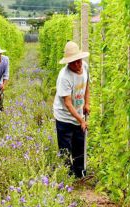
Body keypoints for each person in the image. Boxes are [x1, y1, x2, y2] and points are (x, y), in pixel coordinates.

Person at [53, 41, 91, 178]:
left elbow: (87, 85)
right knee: (65, 149)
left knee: (79, 144)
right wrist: (81, 120)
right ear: (68, 63)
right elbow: (68, 104)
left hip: (78, 113)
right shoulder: (65, 77)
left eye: (78, 61)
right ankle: (66, 177)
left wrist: (87, 103)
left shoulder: (85, 67)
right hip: (64, 116)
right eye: (73, 62)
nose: (77, 64)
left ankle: (79, 173)